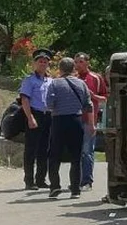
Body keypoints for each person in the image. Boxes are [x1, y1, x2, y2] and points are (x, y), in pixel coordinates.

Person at [45, 57, 93, 199]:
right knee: (75, 156)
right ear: (73, 69)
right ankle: (75, 189)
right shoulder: (81, 84)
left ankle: (54, 186)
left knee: (54, 155)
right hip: (76, 120)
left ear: (60, 69)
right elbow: (88, 105)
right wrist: (91, 124)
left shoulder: (54, 84)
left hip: (59, 120)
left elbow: (50, 103)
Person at [19, 48, 53, 190]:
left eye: (45, 62)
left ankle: (40, 179)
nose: (43, 64)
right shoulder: (29, 80)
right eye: (40, 61)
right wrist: (30, 117)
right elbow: (24, 100)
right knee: (31, 149)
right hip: (35, 114)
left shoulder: (51, 81)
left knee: (44, 149)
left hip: (48, 116)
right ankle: (29, 180)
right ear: (35, 63)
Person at [74, 52, 107, 191]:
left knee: (87, 151)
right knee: (75, 151)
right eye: (76, 62)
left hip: (89, 119)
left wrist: (93, 95)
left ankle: (87, 181)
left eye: (80, 62)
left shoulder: (96, 78)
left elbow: (105, 98)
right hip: (74, 119)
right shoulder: (73, 78)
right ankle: (75, 179)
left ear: (87, 62)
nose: (78, 65)